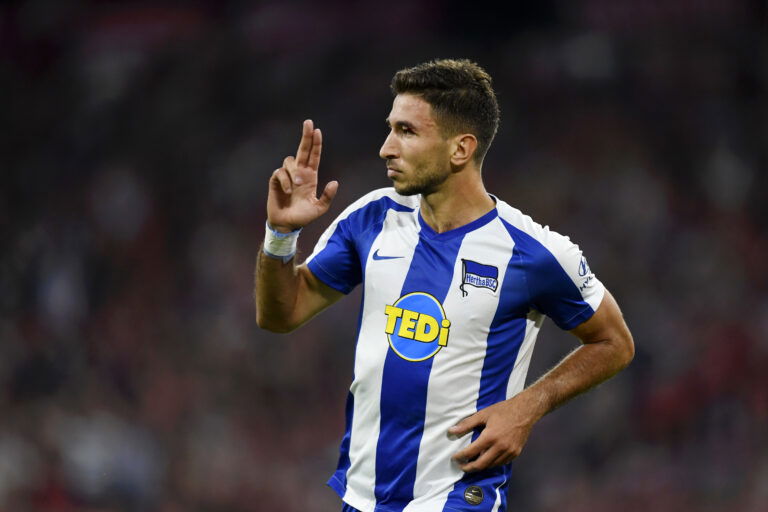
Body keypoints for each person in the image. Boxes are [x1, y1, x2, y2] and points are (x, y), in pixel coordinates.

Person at [255, 59, 634, 512]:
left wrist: (529, 406)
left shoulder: (533, 251)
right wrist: (280, 236)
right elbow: (281, 315)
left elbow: (614, 342)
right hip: (364, 494)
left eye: (406, 132)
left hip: (459, 495)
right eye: (390, 128)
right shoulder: (373, 217)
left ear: (461, 149)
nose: (385, 148)